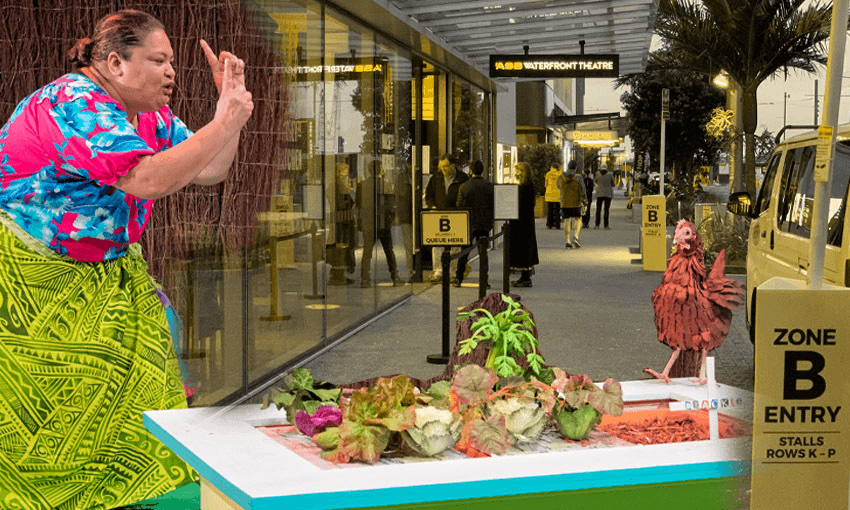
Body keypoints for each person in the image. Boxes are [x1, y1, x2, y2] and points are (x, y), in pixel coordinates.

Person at [0, 9, 253, 508]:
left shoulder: (149, 115)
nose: (171, 72)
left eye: (172, 61)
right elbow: (148, 179)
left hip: (110, 276)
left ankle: (132, 494)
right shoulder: (71, 103)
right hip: (36, 284)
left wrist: (231, 116)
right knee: (58, 412)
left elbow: (210, 169)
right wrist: (222, 121)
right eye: (158, 60)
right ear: (116, 63)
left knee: (141, 396)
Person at [424, 153, 469, 282]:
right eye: (441, 166)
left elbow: (466, 195)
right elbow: (429, 195)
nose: (443, 169)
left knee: (456, 244)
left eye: (445, 166)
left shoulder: (462, 178)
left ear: (453, 165)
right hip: (439, 214)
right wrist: (432, 206)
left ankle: (453, 272)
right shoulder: (436, 178)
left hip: (457, 215)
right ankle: (438, 271)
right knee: (437, 243)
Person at [357, 160, 402, 287]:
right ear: (380, 170)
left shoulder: (361, 185)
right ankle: (395, 276)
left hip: (368, 222)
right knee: (389, 251)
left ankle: (365, 279)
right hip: (383, 223)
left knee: (367, 253)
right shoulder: (385, 184)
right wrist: (391, 219)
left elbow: (359, 204)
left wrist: (361, 221)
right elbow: (390, 205)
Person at [456, 160, 495, 287]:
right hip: (484, 223)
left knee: (464, 252)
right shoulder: (489, 186)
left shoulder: (464, 186)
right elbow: (493, 204)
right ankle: (484, 280)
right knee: (483, 253)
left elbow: (459, 205)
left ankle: (458, 278)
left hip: (469, 223)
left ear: (471, 170)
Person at [509, 162, 539, 287]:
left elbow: (522, 204)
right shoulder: (528, 185)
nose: (516, 173)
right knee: (525, 248)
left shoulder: (525, 187)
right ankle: (525, 276)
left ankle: (525, 278)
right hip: (525, 221)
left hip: (522, 223)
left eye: (518, 171)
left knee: (523, 249)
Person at [328, 162, 356, 285]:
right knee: (341, 247)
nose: (346, 178)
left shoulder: (342, 187)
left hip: (345, 220)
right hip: (341, 221)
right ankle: (338, 274)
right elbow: (338, 204)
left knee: (345, 247)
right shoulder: (336, 187)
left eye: (347, 175)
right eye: (343, 175)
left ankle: (342, 273)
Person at [557, 160, 587, 248]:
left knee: (567, 220)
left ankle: (567, 241)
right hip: (576, 202)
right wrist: (585, 202)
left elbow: (558, 186)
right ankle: (575, 237)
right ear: (576, 168)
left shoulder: (561, 177)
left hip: (565, 202)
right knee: (578, 219)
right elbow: (583, 190)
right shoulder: (578, 177)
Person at [594, 163, 615, 229]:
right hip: (608, 194)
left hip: (599, 193)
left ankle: (597, 225)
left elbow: (595, 181)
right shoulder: (610, 174)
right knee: (606, 210)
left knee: (598, 209)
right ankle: (606, 225)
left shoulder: (597, 174)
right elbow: (613, 184)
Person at [543, 162, 562, 229]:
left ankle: (549, 224)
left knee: (550, 210)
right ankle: (557, 225)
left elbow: (546, 184)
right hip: (557, 194)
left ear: (552, 167)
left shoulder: (548, 174)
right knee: (557, 210)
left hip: (549, 194)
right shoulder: (560, 174)